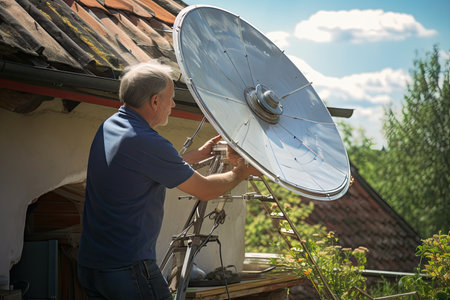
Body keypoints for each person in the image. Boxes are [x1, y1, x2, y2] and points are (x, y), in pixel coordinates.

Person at [77, 61, 260, 300]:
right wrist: (241, 172)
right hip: (128, 269)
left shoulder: (112, 126)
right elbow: (204, 190)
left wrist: (199, 154)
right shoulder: (148, 142)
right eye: (171, 98)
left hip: (92, 267)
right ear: (155, 101)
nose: (173, 104)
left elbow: (143, 169)